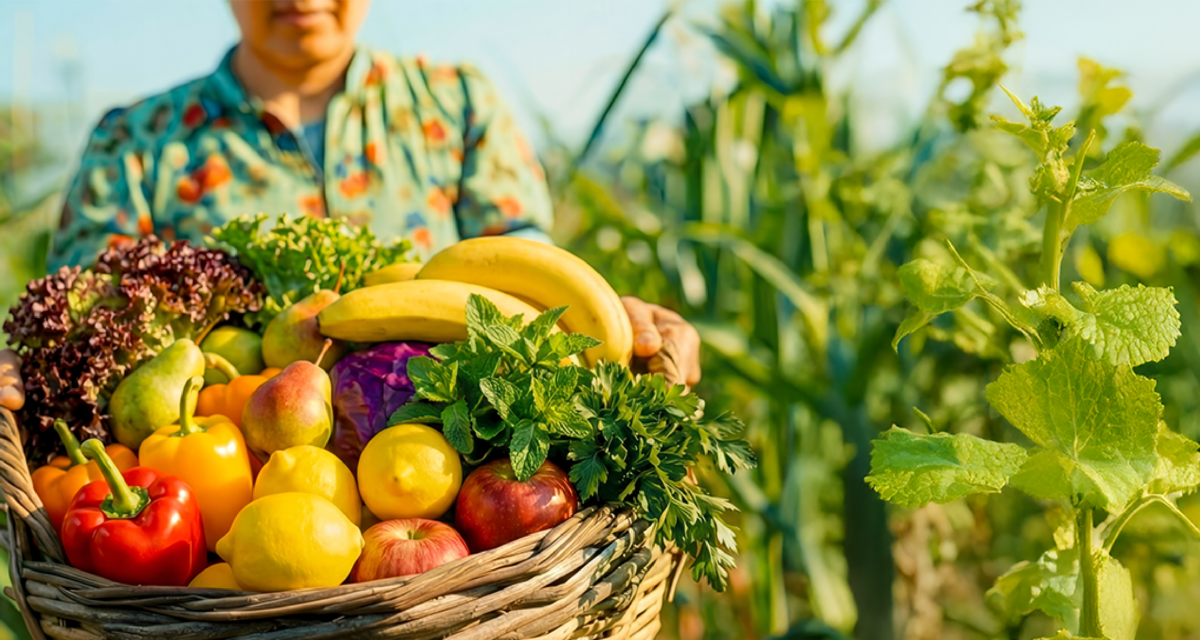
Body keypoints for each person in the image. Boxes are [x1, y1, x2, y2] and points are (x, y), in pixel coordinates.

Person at [0, 0, 700, 408]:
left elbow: (529, 263)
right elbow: (81, 322)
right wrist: (29, 363)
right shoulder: (137, 142)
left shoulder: (457, 106)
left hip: (454, 489)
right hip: (218, 522)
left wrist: (612, 321)